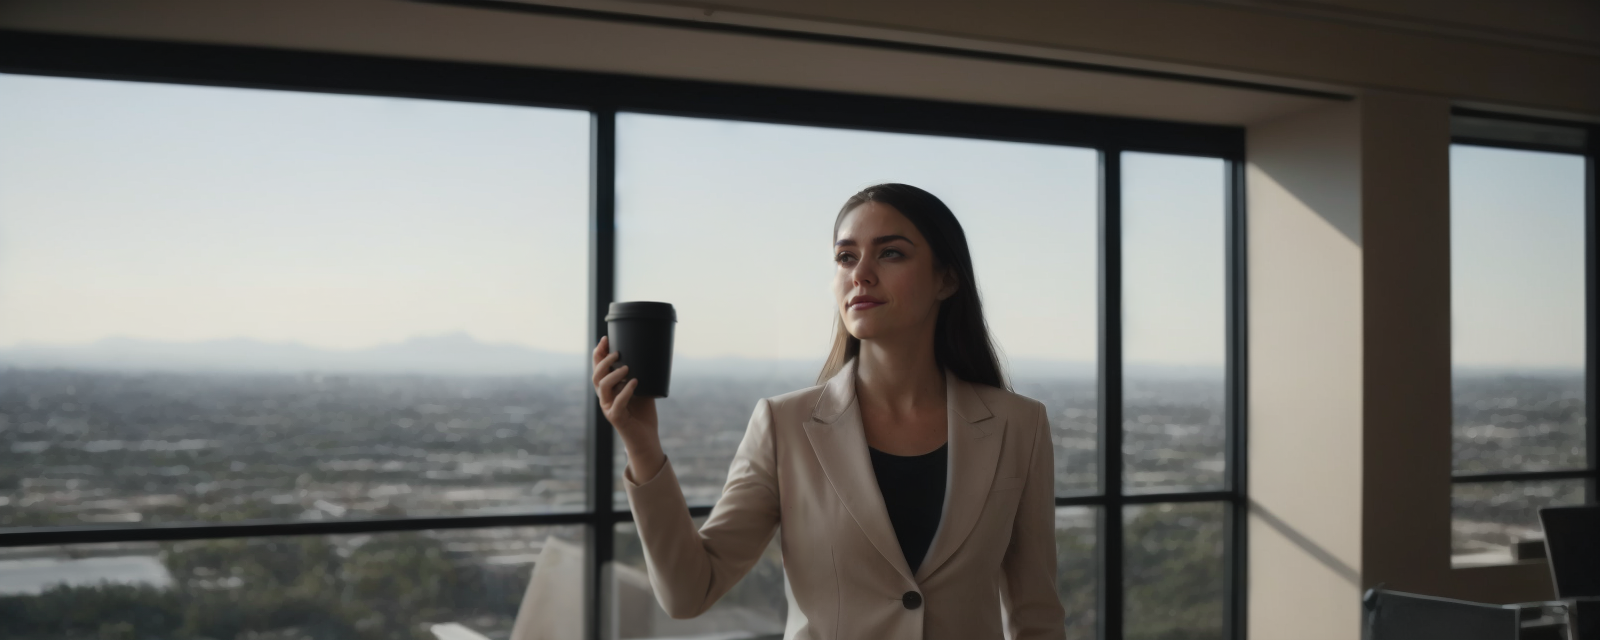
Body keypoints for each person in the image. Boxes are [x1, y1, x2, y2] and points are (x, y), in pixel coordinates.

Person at [592, 183, 1067, 639]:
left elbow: (1037, 616)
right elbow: (688, 591)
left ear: (946, 279)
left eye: (890, 253)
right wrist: (642, 446)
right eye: (846, 257)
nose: (861, 274)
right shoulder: (783, 426)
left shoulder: (1019, 426)